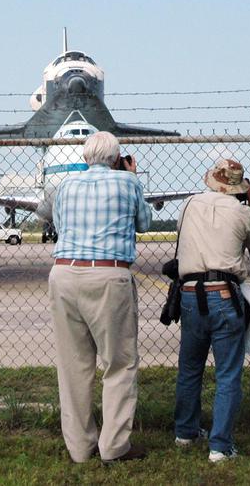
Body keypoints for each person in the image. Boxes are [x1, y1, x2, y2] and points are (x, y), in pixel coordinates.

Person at [38, 131, 151, 463]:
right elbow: (144, 223)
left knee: (73, 364)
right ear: (117, 159)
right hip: (108, 274)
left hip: (64, 273)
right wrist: (131, 177)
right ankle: (114, 446)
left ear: (85, 157)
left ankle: (79, 447)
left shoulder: (66, 186)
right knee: (119, 362)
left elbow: (58, 223)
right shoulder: (127, 183)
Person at [173, 157, 250, 462]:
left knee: (190, 367)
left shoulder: (188, 205)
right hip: (223, 292)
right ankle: (220, 445)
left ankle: (185, 431)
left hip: (188, 293)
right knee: (227, 373)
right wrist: (249, 200)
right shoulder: (241, 212)